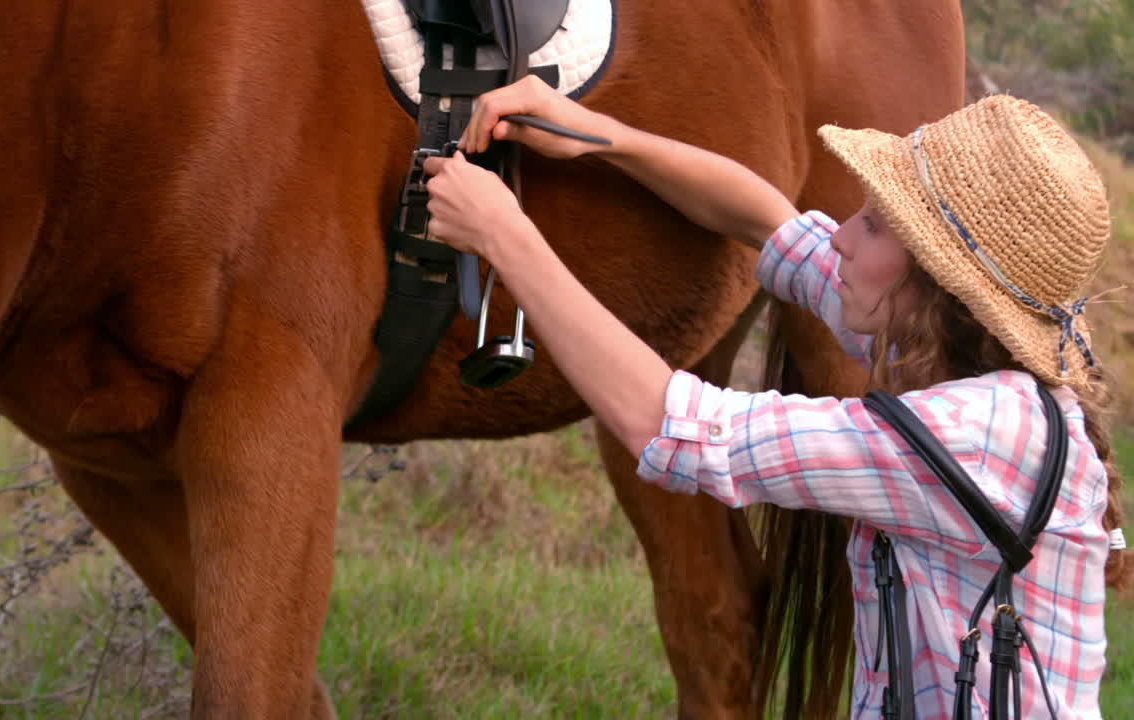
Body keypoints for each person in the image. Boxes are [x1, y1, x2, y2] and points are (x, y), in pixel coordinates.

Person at [421, 75, 1126, 718]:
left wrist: (506, 236)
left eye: (875, 224)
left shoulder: (974, 432)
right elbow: (767, 221)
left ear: (942, 281)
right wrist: (591, 133)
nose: (843, 236)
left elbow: (673, 426)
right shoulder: (949, 353)